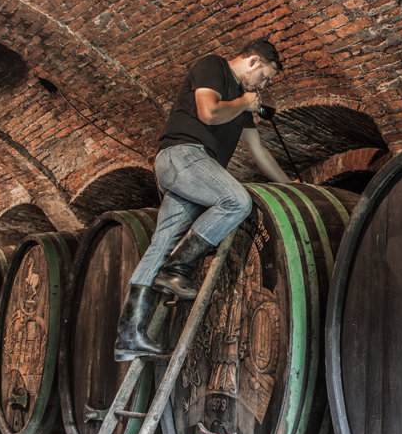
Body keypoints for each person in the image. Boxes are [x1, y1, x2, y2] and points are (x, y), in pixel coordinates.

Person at [114, 39, 290, 361]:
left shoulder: (241, 104)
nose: (263, 86)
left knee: (162, 242)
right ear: (252, 61)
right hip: (182, 156)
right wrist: (245, 103)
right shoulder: (213, 66)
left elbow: (259, 151)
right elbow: (208, 113)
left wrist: (290, 185)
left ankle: (129, 334)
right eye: (264, 77)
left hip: (194, 168)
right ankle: (177, 267)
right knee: (237, 201)